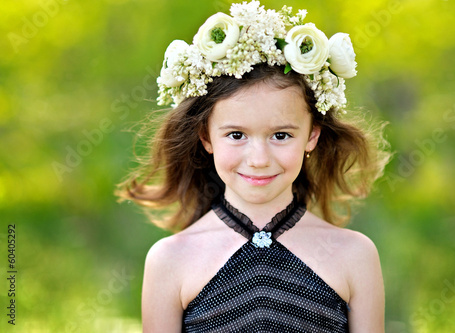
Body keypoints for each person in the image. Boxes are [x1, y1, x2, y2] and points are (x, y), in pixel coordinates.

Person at [116, 1, 391, 332]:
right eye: (236, 135)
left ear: (312, 135)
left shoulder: (354, 255)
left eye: (280, 135)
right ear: (206, 137)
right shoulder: (169, 260)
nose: (259, 159)